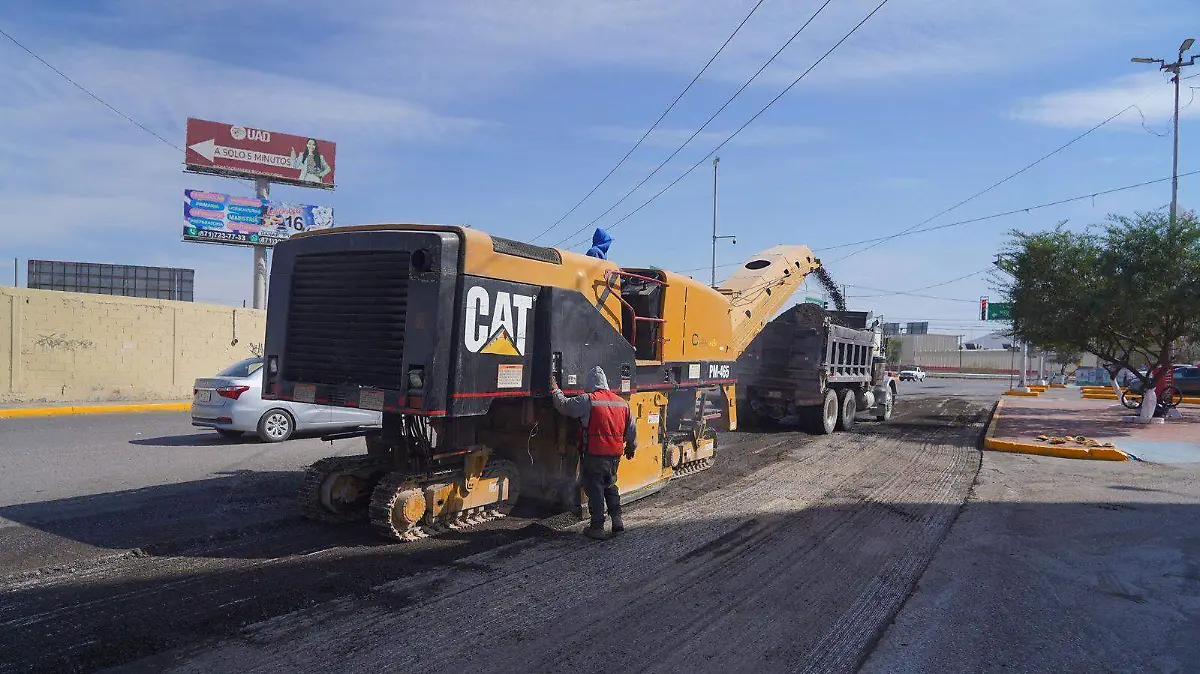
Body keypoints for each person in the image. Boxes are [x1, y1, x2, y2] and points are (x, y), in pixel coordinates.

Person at [550, 365, 636, 540]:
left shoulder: (588, 400)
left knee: (594, 487)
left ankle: (597, 526)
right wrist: (631, 447)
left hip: (596, 453)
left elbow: (564, 406)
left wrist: (555, 390)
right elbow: (632, 430)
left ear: (590, 383)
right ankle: (617, 521)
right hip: (615, 454)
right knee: (610, 485)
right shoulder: (622, 403)